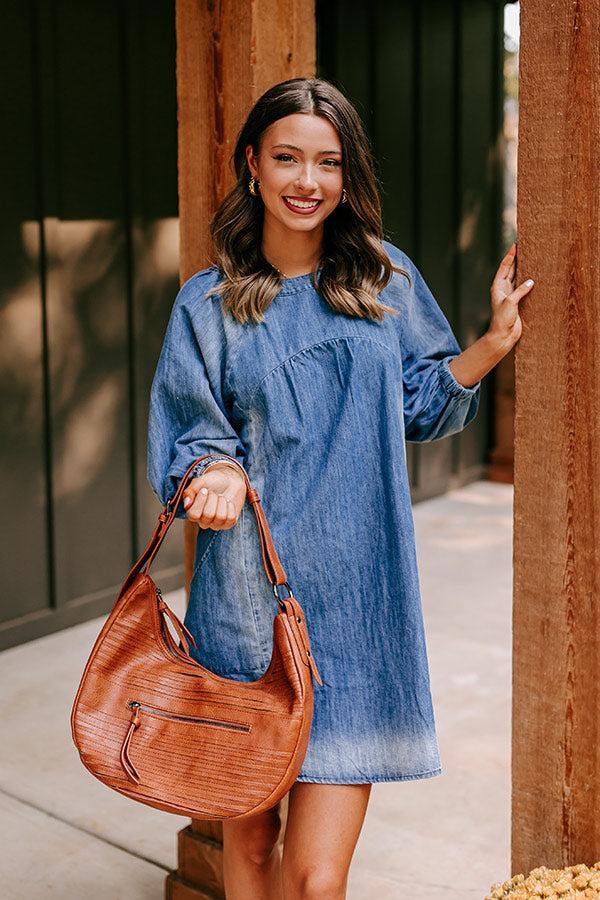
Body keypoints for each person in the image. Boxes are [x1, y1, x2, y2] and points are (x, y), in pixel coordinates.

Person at [146, 77, 534, 900]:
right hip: (246, 610)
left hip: (362, 605)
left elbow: (422, 403)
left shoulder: (385, 280)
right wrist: (211, 470)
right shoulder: (206, 306)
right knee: (249, 850)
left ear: (347, 174)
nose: (307, 181)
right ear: (253, 164)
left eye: (328, 162)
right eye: (287, 157)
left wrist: (492, 345)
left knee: (318, 880)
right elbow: (193, 436)